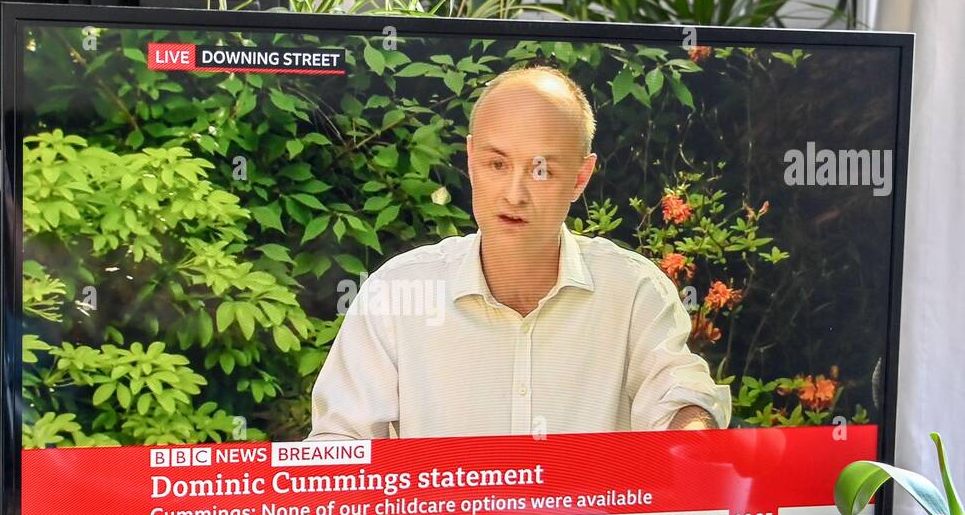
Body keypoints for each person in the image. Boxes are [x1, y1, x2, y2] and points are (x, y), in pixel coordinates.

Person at [307, 63, 731, 440]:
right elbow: (341, 442)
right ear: (471, 159)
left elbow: (679, 399)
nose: (515, 194)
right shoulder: (398, 292)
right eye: (497, 164)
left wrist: (692, 437)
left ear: (581, 178)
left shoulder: (634, 291)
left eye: (541, 170)